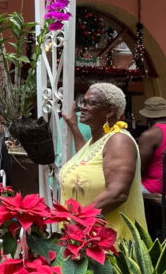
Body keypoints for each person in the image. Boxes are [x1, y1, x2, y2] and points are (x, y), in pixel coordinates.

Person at [58, 82, 146, 239]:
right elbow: (85, 160)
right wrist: (73, 125)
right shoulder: (97, 141)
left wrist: (79, 221)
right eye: (82, 102)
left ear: (109, 111)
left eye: (91, 103)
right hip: (83, 236)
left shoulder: (119, 140)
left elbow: (117, 193)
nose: (83, 107)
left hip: (106, 242)